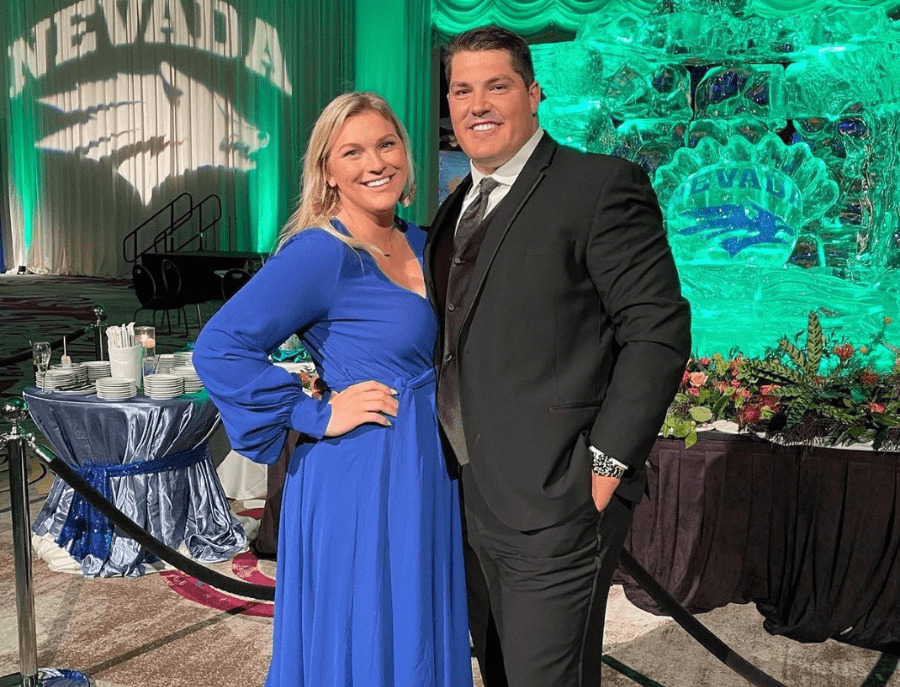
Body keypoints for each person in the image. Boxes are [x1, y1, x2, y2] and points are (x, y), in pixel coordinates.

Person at [424, 27, 692, 686]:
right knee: (503, 671)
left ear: (534, 93)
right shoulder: (455, 206)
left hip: (557, 497)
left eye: (497, 86)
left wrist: (604, 463)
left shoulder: (597, 186)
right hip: (469, 496)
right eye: (462, 89)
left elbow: (657, 328)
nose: (477, 103)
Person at [193, 92, 473, 687]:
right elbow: (219, 348)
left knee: (416, 619)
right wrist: (312, 413)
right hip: (359, 474)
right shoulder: (322, 253)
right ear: (328, 171)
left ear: (406, 153)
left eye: (386, 144)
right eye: (352, 151)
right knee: (364, 624)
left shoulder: (427, 242)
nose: (375, 162)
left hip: (429, 467)